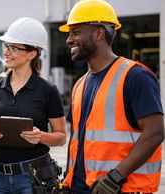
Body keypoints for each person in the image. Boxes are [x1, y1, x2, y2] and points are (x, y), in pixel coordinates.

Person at [59, 0, 164, 193]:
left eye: (76, 32)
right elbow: (76, 138)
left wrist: (115, 177)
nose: (68, 40)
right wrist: (68, 180)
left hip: (121, 188)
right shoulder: (80, 84)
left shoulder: (135, 76)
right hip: (81, 187)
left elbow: (155, 132)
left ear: (99, 33)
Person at [0, 17, 67, 194]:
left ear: (32, 54)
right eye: (6, 46)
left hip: (32, 176)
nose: (6, 51)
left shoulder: (47, 90)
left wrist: (40, 136)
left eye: (14, 48)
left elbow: (61, 137)